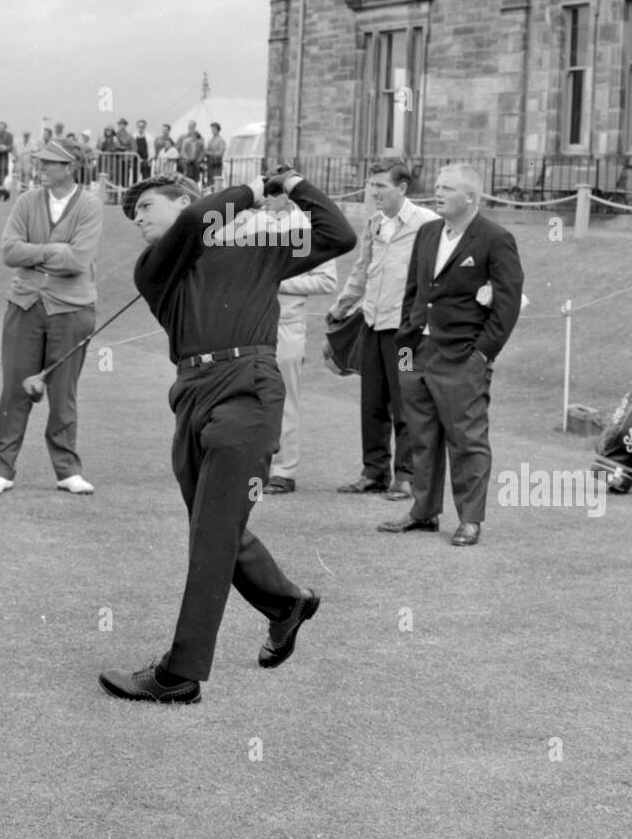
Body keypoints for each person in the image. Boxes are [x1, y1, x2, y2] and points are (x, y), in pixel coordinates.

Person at [97, 165, 355, 704]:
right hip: (191, 392)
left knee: (212, 532)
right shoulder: (153, 266)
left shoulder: (259, 248)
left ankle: (180, 673)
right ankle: (286, 603)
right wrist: (253, 191)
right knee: (214, 525)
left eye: (147, 207)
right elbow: (195, 220)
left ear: (182, 198)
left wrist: (293, 187)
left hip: (249, 388)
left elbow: (339, 235)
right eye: (133, 213)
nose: (138, 219)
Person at [378, 164, 523, 547]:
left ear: (471, 197)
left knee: (467, 440)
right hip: (416, 353)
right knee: (421, 436)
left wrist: (481, 356)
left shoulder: (496, 239)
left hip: (462, 358)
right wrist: (405, 347)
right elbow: (414, 292)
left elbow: (506, 307)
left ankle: (470, 520)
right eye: (437, 186)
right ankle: (423, 512)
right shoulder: (427, 233)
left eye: (447, 188)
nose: (437, 192)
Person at [0, 139, 102, 496]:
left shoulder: (90, 205)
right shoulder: (26, 201)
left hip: (73, 310)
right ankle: (1, 469)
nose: (41, 168)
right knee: (15, 389)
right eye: (41, 162)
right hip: (24, 307)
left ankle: (67, 470)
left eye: (49, 163)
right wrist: (54, 251)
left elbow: (79, 261)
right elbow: (8, 251)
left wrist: (33, 254)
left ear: (69, 167)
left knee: (63, 393)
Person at [329, 163, 438, 500]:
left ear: (402, 188)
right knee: (372, 402)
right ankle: (373, 471)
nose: (374, 192)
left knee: (405, 401)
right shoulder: (375, 223)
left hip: (406, 331)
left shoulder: (427, 224)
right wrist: (343, 305)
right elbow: (362, 269)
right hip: (373, 324)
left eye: (380, 186)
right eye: (371, 185)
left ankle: (405, 476)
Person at [263, 194, 339, 495]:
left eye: (274, 192)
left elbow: (326, 281)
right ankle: (255, 465)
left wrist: (278, 282)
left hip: (287, 325)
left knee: (284, 399)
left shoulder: (306, 231)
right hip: (250, 324)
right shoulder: (250, 226)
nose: (266, 199)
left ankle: (283, 469)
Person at [203, 122, 226, 187]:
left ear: (217, 129)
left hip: (216, 164)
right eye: (212, 129)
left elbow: (221, 153)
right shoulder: (210, 140)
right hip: (210, 163)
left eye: (214, 129)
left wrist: (210, 153)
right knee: (209, 180)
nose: (212, 131)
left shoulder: (221, 140)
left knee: (215, 180)